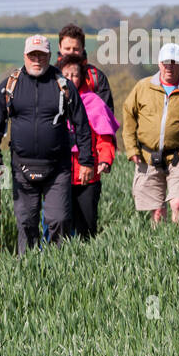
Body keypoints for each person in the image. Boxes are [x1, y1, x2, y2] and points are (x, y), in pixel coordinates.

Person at [0, 36, 96, 253]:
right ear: (25, 56)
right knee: (26, 222)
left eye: (42, 55)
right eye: (32, 55)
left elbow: (81, 125)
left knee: (59, 220)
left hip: (58, 168)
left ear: (49, 56)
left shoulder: (63, 85)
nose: (37, 59)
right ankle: (27, 271)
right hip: (21, 167)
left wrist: (86, 161)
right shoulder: (10, 85)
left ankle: (56, 269)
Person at [121, 42, 179, 224]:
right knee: (158, 211)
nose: (169, 66)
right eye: (165, 62)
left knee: (177, 203)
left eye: (174, 62)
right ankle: (162, 245)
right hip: (148, 156)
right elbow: (129, 115)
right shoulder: (143, 87)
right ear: (159, 63)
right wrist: (132, 149)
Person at [59, 54, 118, 240]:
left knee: (86, 227)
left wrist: (105, 160)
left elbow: (104, 137)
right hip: (59, 175)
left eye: (75, 75)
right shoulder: (51, 102)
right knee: (60, 226)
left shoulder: (94, 102)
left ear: (82, 77)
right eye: (65, 74)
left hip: (88, 176)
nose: (70, 79)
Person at [58, 23, 114, 113]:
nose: (71, 53)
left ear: (83, 48)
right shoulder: (51, 75)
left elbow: (106, 114)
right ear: (60, 48)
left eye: (75, 49)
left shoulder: (96, 77)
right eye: (67, 49)